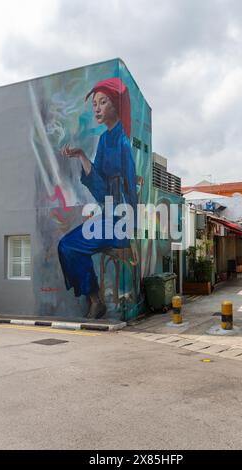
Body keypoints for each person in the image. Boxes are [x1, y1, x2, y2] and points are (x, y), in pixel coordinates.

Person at [58, 77, 137, 319]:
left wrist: (127, 232)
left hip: (119, 222)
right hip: (108, 216)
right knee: (67, 245)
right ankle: (95, 299)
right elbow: (101, 189)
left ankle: (95, 300)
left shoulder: (123, 144)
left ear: (116, 105)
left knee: (68, 245)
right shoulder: (105, 139)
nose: (97, 107)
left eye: (103, 102)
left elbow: (131, 191)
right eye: (95, 103)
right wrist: (82, 155)